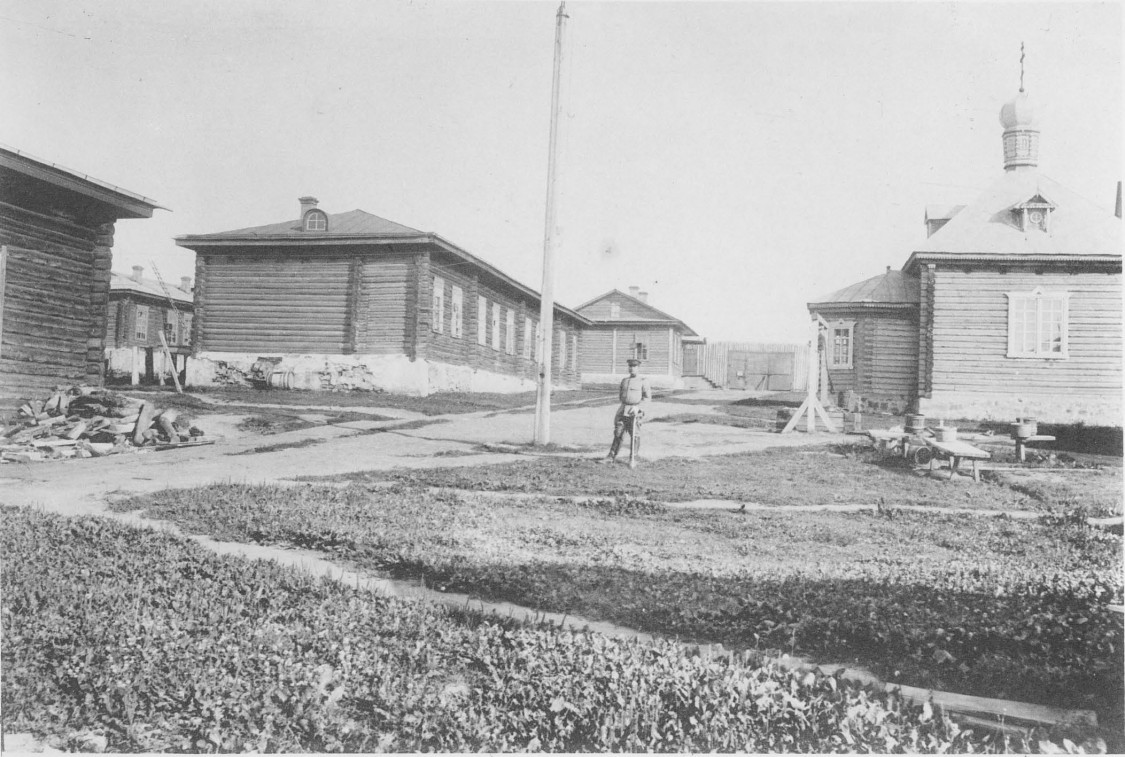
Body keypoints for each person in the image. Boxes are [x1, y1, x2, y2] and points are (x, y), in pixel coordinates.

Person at [602, 358, 651, 463]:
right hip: (623, 410)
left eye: (634, 367)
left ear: (638, 368)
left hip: (635, 411)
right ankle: (611, 456)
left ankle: (633, 457)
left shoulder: (643, 381)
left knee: (635, 435)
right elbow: (621, 396)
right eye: (630, 366)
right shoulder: (625, 381)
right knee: (618, 433)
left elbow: (647, 398)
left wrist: (638, 407)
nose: (631, 369)